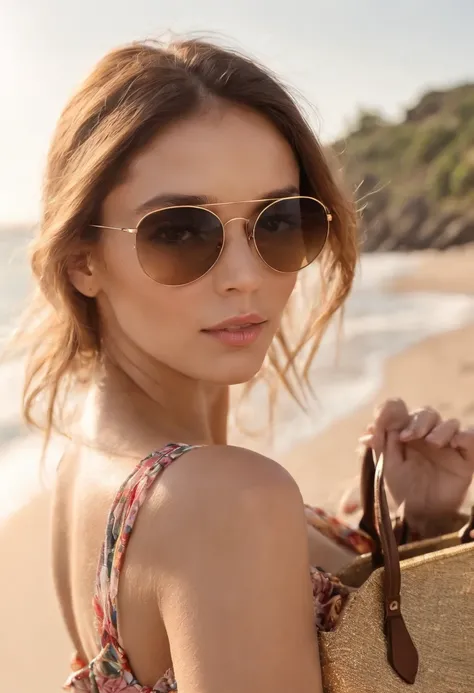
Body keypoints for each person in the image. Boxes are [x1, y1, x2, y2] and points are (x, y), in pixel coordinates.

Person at [20, 38, 474, 693]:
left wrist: (417, 526)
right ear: (81, 260)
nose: (245, 276)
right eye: (179, 231)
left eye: (278, 220)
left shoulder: (86, 468)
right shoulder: (225, 498)